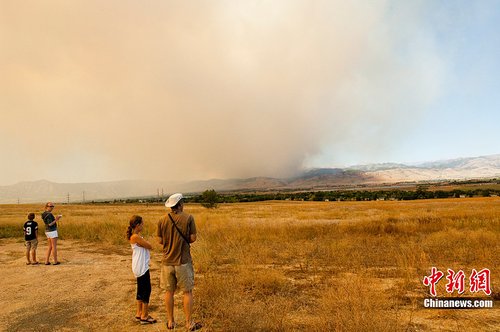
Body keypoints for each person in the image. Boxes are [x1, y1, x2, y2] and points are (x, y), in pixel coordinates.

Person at [157, 193, 202, 331]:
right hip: (183, 261)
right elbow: (193, 238)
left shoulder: (162, 219)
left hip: (166, 262)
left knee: (168, 292)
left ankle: (171, 322)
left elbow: (160, 240)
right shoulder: (188, 218)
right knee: (187, 292)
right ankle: (189, 323)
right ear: (181, 204)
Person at [127, 215, 157, 325]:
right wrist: (147, 242)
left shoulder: (135, 236)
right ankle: (144, 316)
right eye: (142, 223)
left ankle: (139, 313)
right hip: (141, 266)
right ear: (138, 225)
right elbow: (150, 246)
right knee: (146, 290)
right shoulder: (135, 237)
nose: (143, 225)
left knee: (140, 289)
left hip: (138, 265)